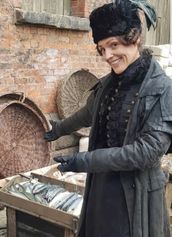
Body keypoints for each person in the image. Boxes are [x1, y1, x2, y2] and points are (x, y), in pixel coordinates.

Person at [44, 1, 172, 237]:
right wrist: (59, 129)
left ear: (134, 38)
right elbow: (88, 113)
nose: (108, 56)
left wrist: (83, 161)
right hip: (102, 190)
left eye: (113, 45)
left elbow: (147, 152)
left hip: (137, 196)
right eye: (102, 49)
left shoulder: (163, 89)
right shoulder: (108, 84)